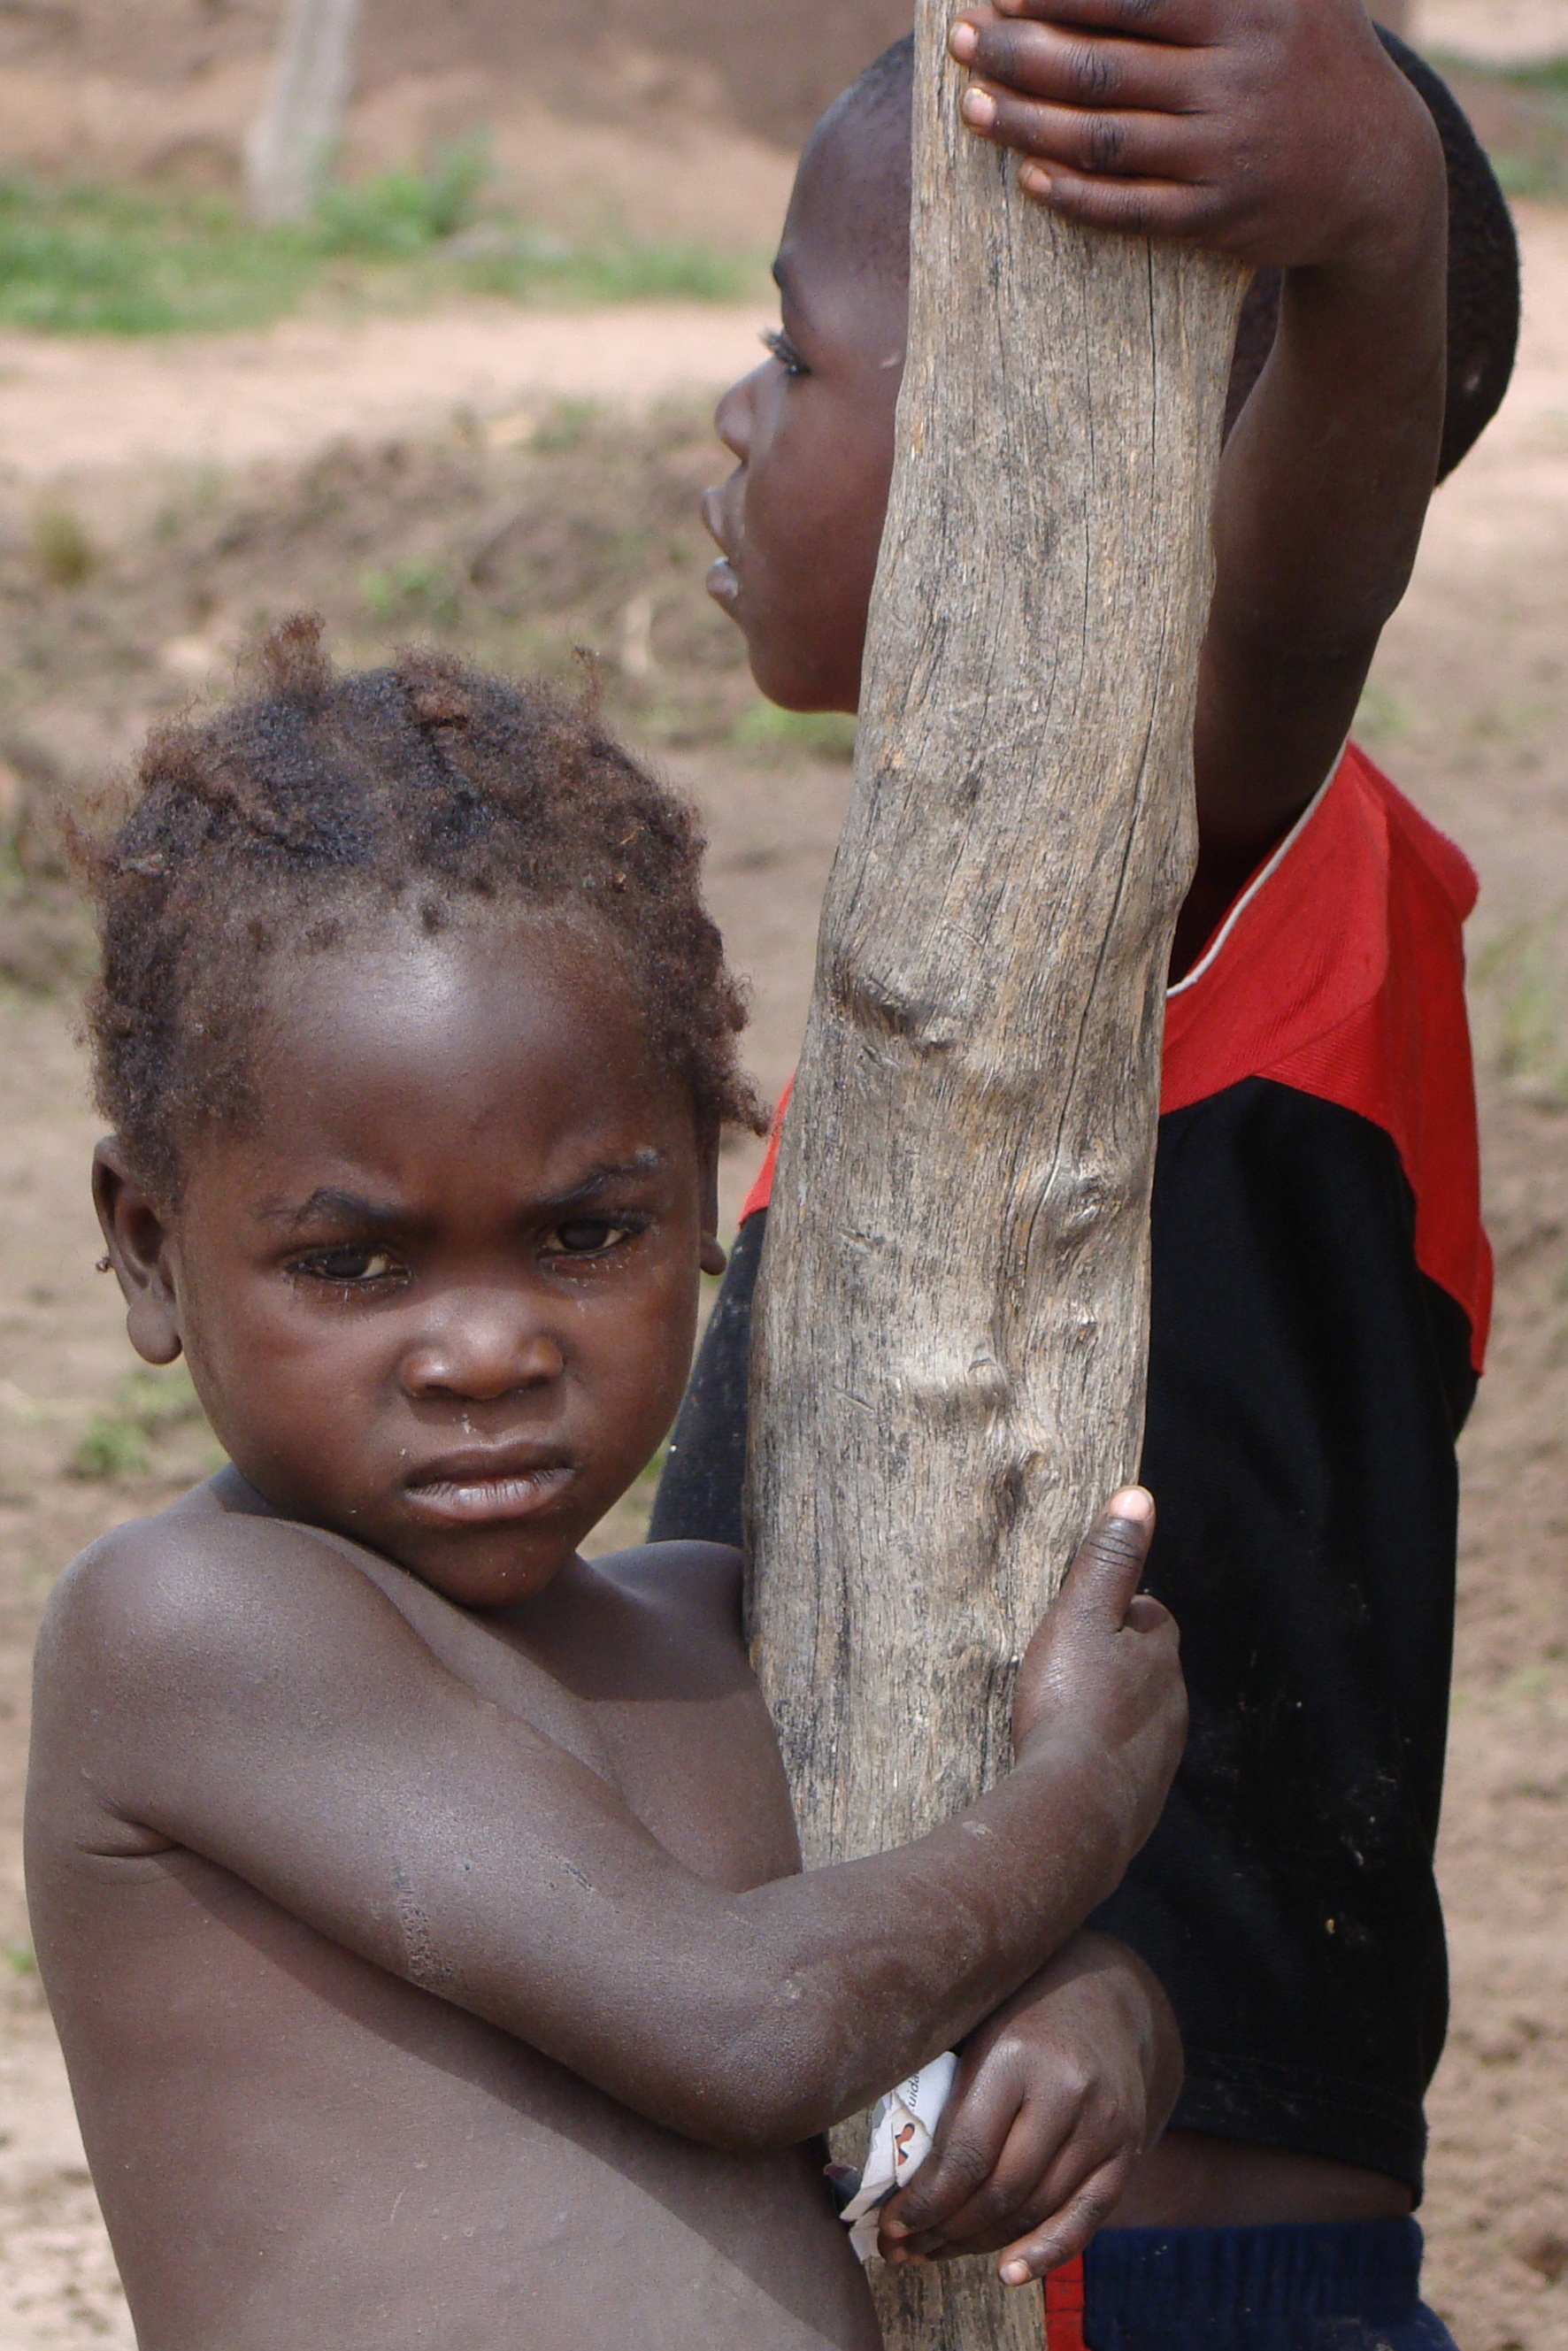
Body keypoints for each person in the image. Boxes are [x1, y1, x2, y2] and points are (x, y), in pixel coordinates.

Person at [656, 3, 1519, 2342]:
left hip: (1134, 2258)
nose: (733, 422)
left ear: (1085, 445)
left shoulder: (1227, 880)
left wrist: (1369, 236)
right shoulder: (957, 956)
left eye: (793, 355)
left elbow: (1260, 625)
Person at [25, 624, 1188, 2351]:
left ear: (705, 1200)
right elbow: (755, 2025)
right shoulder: (189, 1631)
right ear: (146, 1250)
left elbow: (895, 1945)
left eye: (584, 1235)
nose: (485, 1352)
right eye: (355, 1265)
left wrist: (1106, 2008)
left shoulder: (733, 1627)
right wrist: (1081, 1804)